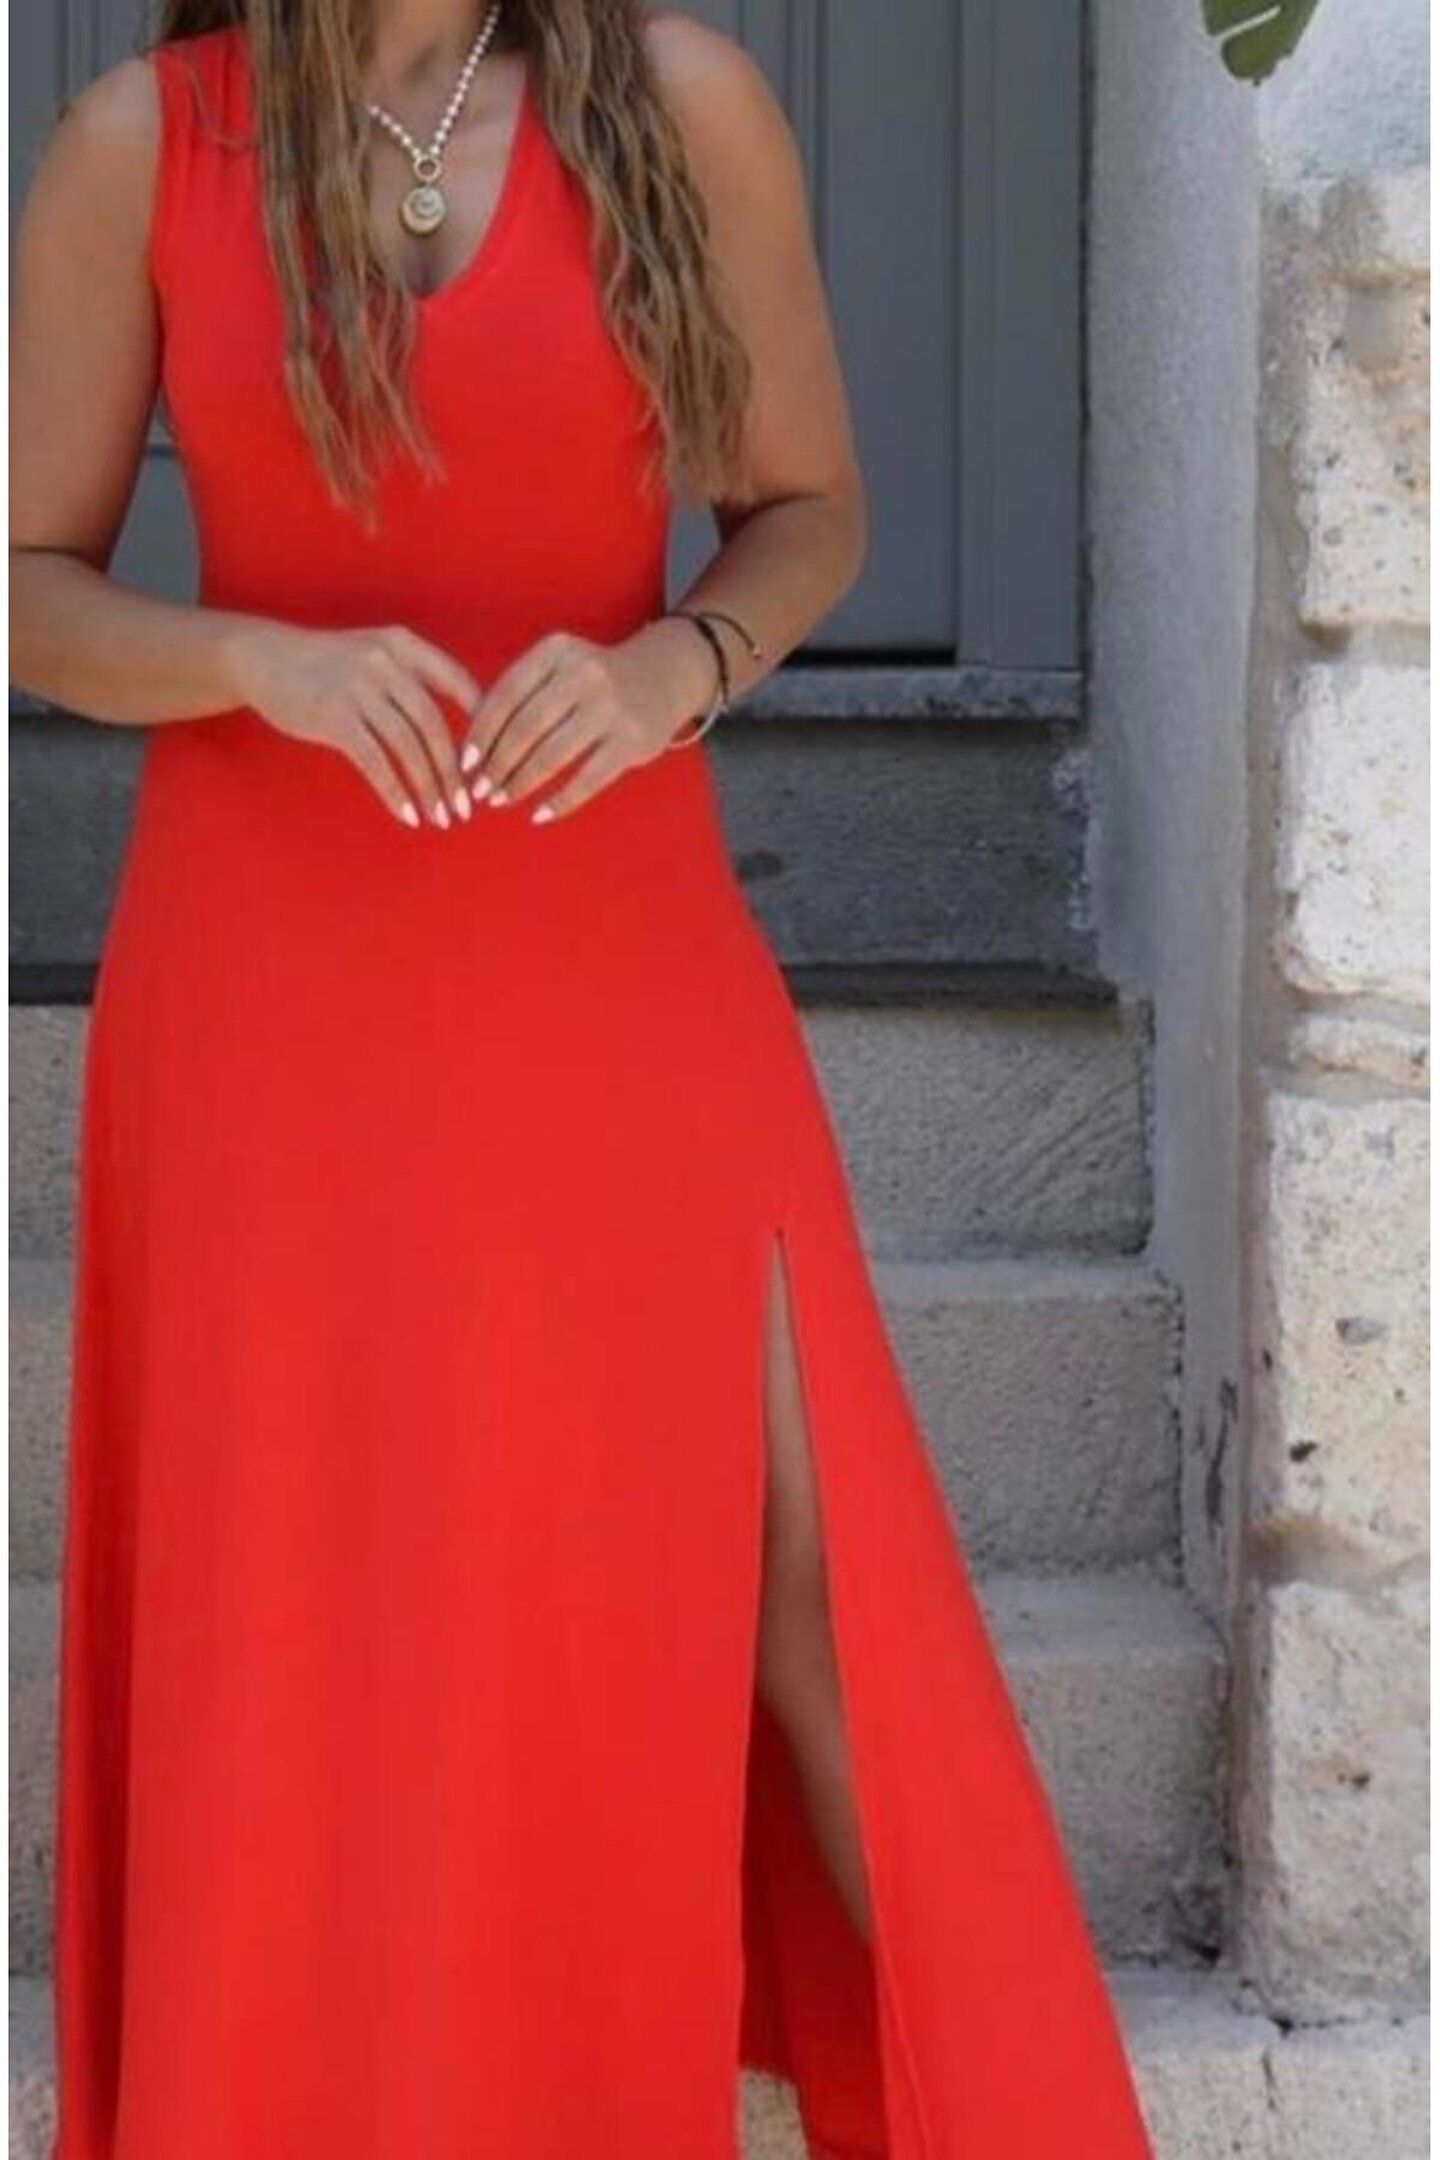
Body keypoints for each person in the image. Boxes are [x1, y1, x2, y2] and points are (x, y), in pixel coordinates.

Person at [9, 4, 1156, 2153]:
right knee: (309, 1611)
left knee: (805, 1580)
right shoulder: (134, 145)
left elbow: (807, 508)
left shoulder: (680, 102)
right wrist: (251, 659)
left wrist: (673, 669)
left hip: (615, 953)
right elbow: (27, 591)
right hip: (267, 1002)